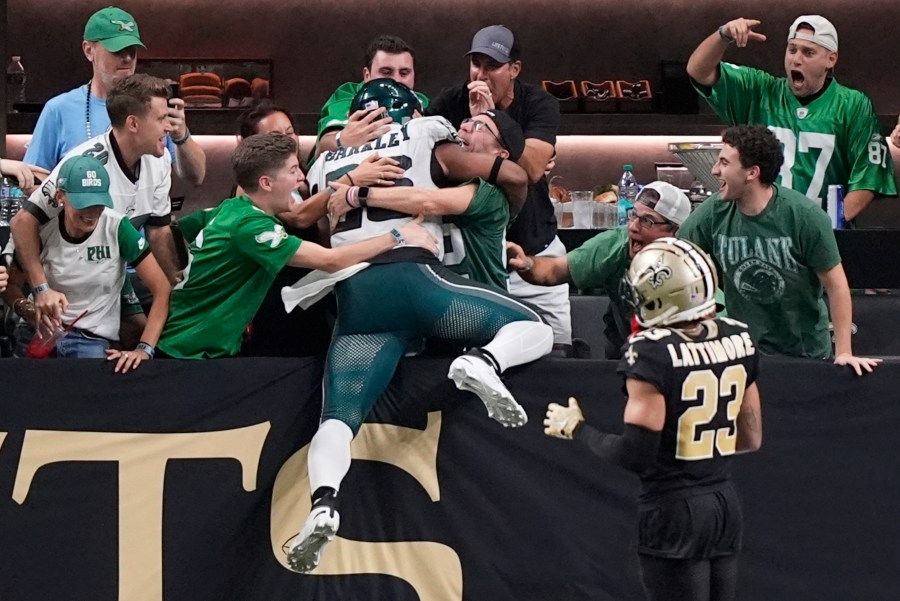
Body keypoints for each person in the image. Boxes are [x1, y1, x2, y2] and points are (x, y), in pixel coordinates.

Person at [284, 80, 553, 574]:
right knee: (536, 328)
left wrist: (350, 186)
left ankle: (323, 503)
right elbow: (499, 178)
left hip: (357, 302)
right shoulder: (426, 134)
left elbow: (316, 227)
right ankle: (483, 360)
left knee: (337, 419)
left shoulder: (325, 162)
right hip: (417, 282)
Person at [544, 237, 763, 601]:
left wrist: (578, 429)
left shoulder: (650, 352)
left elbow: (635, 455)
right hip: (724, 503)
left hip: (674, 509)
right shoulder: (739, 337)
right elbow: (752, 438)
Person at [156, 133, 438, 359]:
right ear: (266, 183)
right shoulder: (252, 228)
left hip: (201, 348)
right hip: (188, 353)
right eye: (293, 171)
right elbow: (331, 260)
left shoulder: (230, 208)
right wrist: (399, 235)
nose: (301, 178)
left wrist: (177, 275)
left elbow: (174, 230)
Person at [678, 124, 881, 374]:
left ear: (752, 172)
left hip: (803, 355)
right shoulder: (713, 211)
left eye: (724, 162)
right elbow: (678, 258)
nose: (714, 170)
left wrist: (844, 352)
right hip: (742, 353)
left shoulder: (804, 216)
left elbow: (836, 285)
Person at [426, 25, 570, 352]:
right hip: (473, 263)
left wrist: (488, 119)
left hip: (535, 252)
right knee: (476, 361)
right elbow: (420, 155)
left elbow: (530, 170)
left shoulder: (539, 103)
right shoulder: (451, 101)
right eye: (476, 64)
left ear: (514, 69)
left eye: (492, 66)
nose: (481, 73)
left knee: (557, 357)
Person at [13, 74, 182, 339]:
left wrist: (177, 290)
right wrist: (40, 287)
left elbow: (159, 232)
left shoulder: (160, 161)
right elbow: (22, 221)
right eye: (161, 119)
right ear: (133, 123)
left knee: (153, 332)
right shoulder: (83, 164)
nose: (169, 127)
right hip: (63, 277)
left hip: (112, 269)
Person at [686, 15, 896, 221]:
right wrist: (722, 35)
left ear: (831, 59)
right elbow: (698, 71)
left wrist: (830, 226)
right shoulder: (759, 90)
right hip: (761, 229)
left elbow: (869, 175)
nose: (796, 59)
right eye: (792, 49)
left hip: (820, 238)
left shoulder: (853, 105)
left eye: (808, 52)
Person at [325, 108, 528, 292]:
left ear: (499, 154)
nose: (464, 126)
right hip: (437, 305)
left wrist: (356, 195)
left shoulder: (492, 194)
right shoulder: (436, 175)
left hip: (483, 308)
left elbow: (427, 201)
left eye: (479, 127)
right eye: (467, 120)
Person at [1, 155, 169, 372]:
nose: (92, 212)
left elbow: (162, 288)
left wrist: (144, 350)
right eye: (83, 203)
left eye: (98, 202)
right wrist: (30, 311)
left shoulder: (117, 227)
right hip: (38, 333)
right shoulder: (40, 230)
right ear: (60, 197)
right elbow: (10, 286)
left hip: (90, 339)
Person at [23, 5, 206, 185]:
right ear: (89, 50)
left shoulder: (154, 106)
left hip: (146, 212)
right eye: (117, 50)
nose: (126, 58)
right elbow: (32, 180)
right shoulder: (59, 109)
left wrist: (181, 136)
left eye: (131, 50)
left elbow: (196, 176)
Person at [507, 182, 691, 359]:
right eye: (634, 215)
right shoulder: (614, 245)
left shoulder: (691, 264)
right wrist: (526, 263)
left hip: (683, 347)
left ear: (675, 231)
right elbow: (553, 271)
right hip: (624, 342)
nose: (633, 227)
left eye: (648, 221)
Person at [308, 34, 430, 164]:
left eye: (404, 73)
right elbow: (323, 147)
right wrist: (341, 140)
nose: (396, 79)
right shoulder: (348, 95)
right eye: (386, 72)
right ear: (367, 75)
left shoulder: (422, 102)